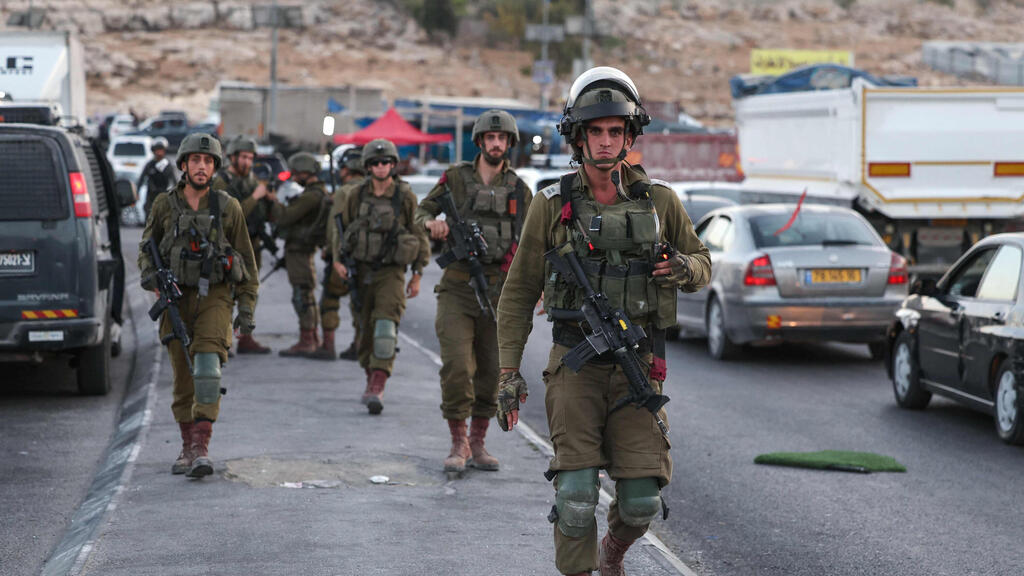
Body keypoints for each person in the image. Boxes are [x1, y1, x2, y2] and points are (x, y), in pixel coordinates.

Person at [494, 67, 711, 576]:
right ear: (578, 136)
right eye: (596, 131)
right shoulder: (551, 205)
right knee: (574, 496)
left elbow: (703, 264)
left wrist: (683, 267)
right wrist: (507, 372)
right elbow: (519, 293)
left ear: (630, 136)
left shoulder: (660, 202)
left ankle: (612, 551)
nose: (607, 141)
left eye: (616, 130)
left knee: (640, 502)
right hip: (576, 366)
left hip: (638, 364)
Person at [414, 110, 532, 474]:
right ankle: (459, 441)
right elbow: (421, 211)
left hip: (500, 290)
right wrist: (431, 224)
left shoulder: (519, 189)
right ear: (480, 141)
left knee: (492, 371)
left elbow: (533, 242)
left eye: (502, 138)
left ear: (509, 143)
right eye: (490, 138)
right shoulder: (455, 179)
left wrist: (539, 288)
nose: (496, 144)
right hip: (458, 286)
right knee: (456, 366)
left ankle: (478, 441)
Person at [137, 133, 258, 479]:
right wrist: (153, 281)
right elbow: (146, 250)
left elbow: (246, 263)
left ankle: (201, 448)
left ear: (215, 167)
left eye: (207, 161)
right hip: (175, 298)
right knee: (183, 378)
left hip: (215, 297)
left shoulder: (228, 207)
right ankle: (186, 446)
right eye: (195, 160)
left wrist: (246, 309)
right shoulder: (164, 205)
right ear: (184, 165)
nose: (201, 167)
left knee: (207, 368)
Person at [329, 139, 429, 414]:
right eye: (375, 162)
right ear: (368, 166)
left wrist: (417, 274)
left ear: (393, 165)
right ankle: (370, 375)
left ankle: (378, 384)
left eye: (386, 162)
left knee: (385, 328)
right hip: (360, 271)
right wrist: (338, 260)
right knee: (364, 332)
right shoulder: (356, 195)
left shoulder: (404, 196)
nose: (381, 166)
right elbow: (341, 229)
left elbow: (419, 234)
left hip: (391, 272)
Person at [212, 135, 275, 354]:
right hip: (230, 246)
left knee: (250, 291)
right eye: (244, 157)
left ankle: (246, 336)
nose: (247, 162)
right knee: (227, 293)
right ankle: (223, 338)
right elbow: (231, 217)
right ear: (232, 157)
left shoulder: (252, 180)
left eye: (250, 158)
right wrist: (255, 197)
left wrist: (269, 200)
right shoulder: (221, 183)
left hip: (252, 245)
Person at [272, 152, 328, 357]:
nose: (294, 178)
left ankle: (307, 340)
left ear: (306, 172)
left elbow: (286, 217)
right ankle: (311, 337)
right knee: (305, 293)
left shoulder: (311, 195)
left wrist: (273, 201)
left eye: (296, 173)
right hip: (301, 248)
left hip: (300, 249)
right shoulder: (315, 193)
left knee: (301, 295)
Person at [313, 146, 365, 360]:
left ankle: (328, 345)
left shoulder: (344, 191)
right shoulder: (370, 188)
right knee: (359, 302)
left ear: (347, 168)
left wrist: (329, 250)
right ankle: (360, 345)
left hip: (343, 254)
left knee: (330, 300)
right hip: (366, 255)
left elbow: (334, 225)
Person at [140, 137, 176, 218]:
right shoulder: (150, 165)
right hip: (151, 196)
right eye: (157, 150)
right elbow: (142, 178)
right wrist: (137, 193)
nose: (159, 152)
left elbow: (174, 180)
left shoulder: (167, 165)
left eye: (161, 150)